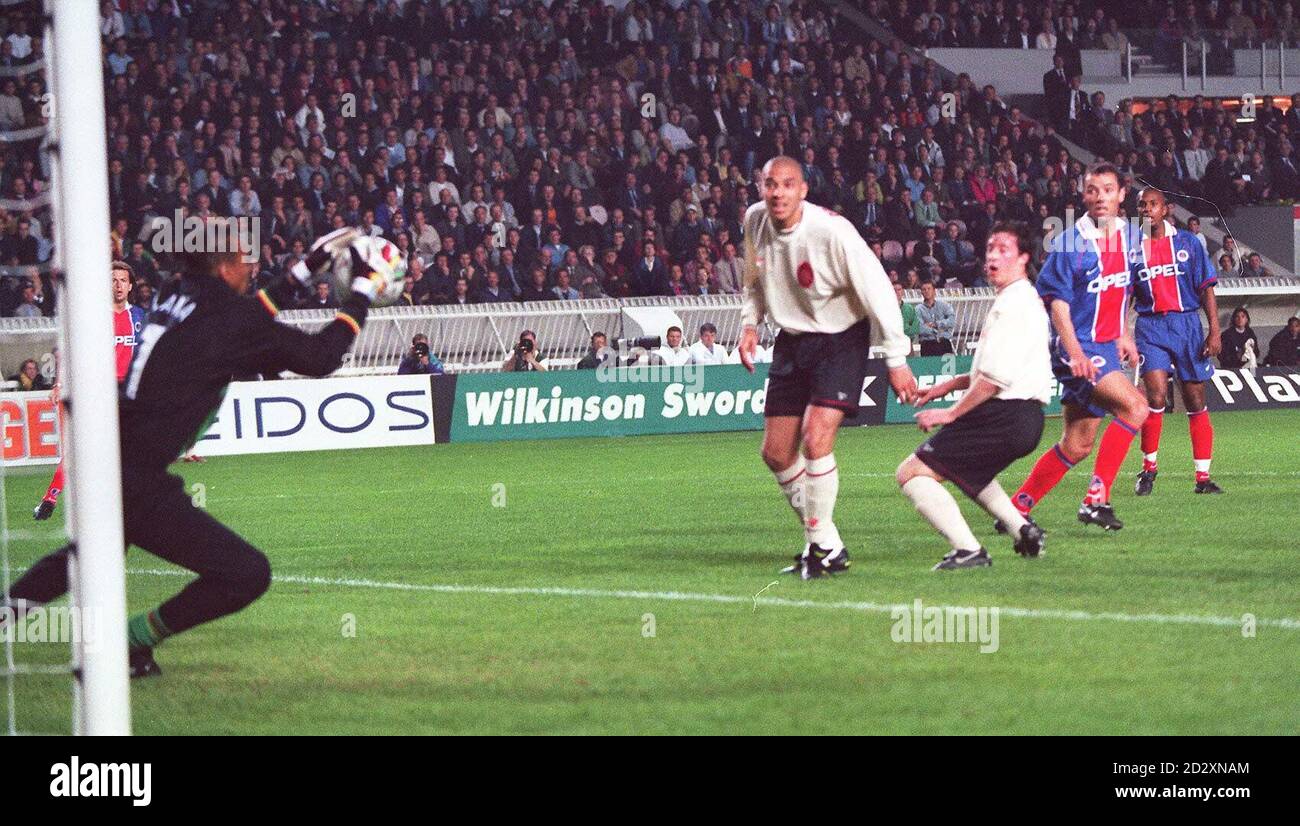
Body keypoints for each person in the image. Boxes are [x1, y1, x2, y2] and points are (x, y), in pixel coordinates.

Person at [5, 223, 379, 677]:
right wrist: (362, 293)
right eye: (245, 259)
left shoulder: (174, 290)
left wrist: (311, 264)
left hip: (106, 450)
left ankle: (26, 619)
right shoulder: (232, 321)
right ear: (223, 267)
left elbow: (245, 313)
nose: (252, 266)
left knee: (79, 562)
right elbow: (320, 357)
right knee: (246, 574)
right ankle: (130, 640)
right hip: (136, 474)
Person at [737, 156, 916, 579]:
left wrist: (896, 360)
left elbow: (879, 293)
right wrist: (749, 324)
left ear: (803, 190)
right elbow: (753, 278)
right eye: (770, 184)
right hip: (792, 340)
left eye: (787, 184)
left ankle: (819, 548)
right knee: (776, 452)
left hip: (841, 339)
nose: (777, 192)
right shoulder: (755, 221)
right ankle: (827, 543)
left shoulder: (832, 231)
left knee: (816, 441)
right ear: (761, 188)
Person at [896, 223, 1051, 570]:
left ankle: (969, 550)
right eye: (990, 249)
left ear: (1024, 258)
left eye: (1003, 249)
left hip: (1005, 413)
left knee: (912, 472)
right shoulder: (1018, 299)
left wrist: (950, 413)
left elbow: (994, 380)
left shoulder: (1015, 305)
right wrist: (946, 386)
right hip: (1024, 419)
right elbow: (990, 370)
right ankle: (1024, 531)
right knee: (972, 474)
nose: (993, 256)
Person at [1007, 163, 1148, 531]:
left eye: (1106, 189)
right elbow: (1058, 306)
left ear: (1121, 194)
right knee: (1135, 407)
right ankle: (1095, 500)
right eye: (1091, 190)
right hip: (1078, 345)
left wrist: (1123, 333)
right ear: (1083, 195)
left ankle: (1015, 508)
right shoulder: (1071, 243)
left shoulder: (1132, 236)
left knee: (1077, 444)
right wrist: (1077, 353)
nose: (1099, 196)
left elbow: (1123, 291)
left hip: (1103, 343)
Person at [34, 262, 147, 521]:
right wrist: (60, 383)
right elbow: (69, 349)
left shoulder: (140, 316)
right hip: (98, 391)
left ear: (130, 286)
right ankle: (51, 497)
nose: (117, 285)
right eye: (112, 280)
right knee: (80, 449)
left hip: (129, 394)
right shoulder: (94, 316)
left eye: (122, 280)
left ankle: (124, 505)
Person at [1130, 189, 1224, 497]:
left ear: (1166, 209)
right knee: (1155, 398)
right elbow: (1122, 294)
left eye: (1152, 204)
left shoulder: (1187, 243)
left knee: (1195, 401)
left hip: (1187, 325)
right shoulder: (1132, 248)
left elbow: (1206, 288)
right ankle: (1148, 470)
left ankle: (1202, 477)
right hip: (1150, 327)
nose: (1146, 209)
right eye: (1141, 205)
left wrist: (1215, 330)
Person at [915, 281, 955, 355]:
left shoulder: (944, 305)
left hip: (944, 342)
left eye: (929, 289)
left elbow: (952, 322)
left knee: (949, 366)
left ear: (934, 291)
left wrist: (936, 324)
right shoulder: (918, 309)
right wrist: (939, 331)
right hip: (927, 345)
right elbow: (920, 328)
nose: (926, 291)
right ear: (921, 292)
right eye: (924, 289)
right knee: (929, 366)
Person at [895, 282, 919, 346]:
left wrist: (902, 331)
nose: (896, 292)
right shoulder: (886, 309)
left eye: (899, 289)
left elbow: (915, 328)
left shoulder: (910, 308)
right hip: (893, 344)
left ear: (902, 292)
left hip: (907, 343)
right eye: (894, 290)